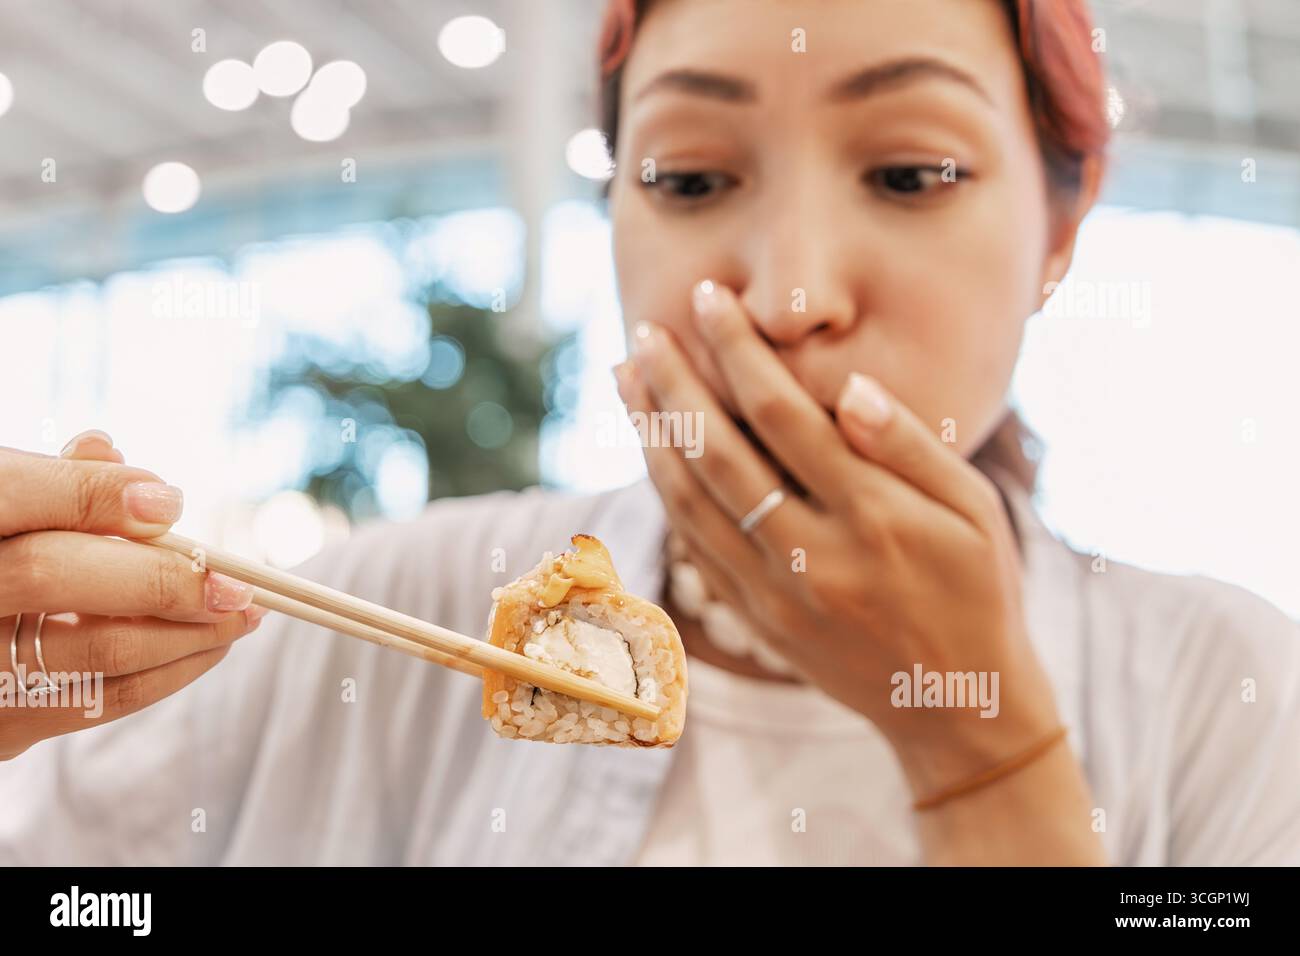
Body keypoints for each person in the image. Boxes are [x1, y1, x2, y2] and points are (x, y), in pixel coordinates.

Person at [2, 0, 1297, 866]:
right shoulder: (405, 612)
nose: (789, 299)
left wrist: (980, 752)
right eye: (688, 178)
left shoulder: (1224, 700)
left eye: (910, 172)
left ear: (1061, 234)